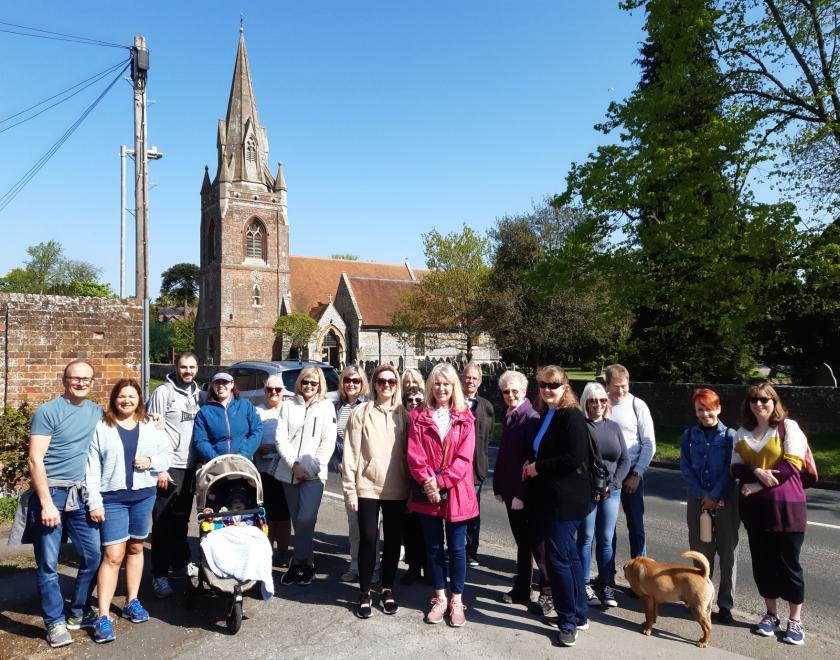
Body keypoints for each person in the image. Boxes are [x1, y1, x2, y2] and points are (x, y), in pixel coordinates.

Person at [25, 360, 103, 648]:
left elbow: (122, 426)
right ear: (64, 380)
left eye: (87, 378)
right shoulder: (48, 411)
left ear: (92, 382)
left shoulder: (96, 412)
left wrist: (152, 420)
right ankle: (55, 622)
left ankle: (79, 611)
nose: (81, 383)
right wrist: (46, 503)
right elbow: (35, 460)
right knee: (48, 563)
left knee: (93, 555)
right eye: (76, 378)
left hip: (82, 495)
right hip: (53, 494)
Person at [85, 379, 170, 643]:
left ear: (139, 400)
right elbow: (92, 467)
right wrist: (94, 501)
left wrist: (152, 462)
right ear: (114, 399)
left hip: (144, 496)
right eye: (122, 396)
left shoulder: (149, 425)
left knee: (135, 548)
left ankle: (133, 601)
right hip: (113, 498)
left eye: (132, 396)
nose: (127, 401)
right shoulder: (102, 427)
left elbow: (168, 454)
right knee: (112, 555)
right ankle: (103, 616)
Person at [732, 383, 808, 646]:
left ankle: (795, 620)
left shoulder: (789, 427)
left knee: (789, 566)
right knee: (763, 565)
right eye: (754, 399)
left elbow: (791, 467)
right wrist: (754, 473)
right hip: (755, 511)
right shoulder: (742, 433)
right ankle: (771, 614)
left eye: (765, 399)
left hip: (787, 508)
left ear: (774, 401)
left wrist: (757, 484)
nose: (759, 404)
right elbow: (735, 468)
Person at [523, 365, 591, 648]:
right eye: (542, 385)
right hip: (551, 498)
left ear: (565, 386)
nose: (547, 390)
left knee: (558, 560)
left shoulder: (571, 415)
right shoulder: (548, 414)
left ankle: (567, 623)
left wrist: (538, 467)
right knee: (570, 557)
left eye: (553, 385)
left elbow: (574, 457)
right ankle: (578, 613)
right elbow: (543, 449)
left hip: (566, 500)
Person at [407, 363, 478, 627]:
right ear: (430, 386)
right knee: (434, 547)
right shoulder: (418, 416)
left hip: (458, 493)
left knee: (458, 549)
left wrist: (440, 481)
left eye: (446, 383)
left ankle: (457, 599)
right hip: (429, 493)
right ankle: (440, 597)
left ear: (454, 386)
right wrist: (429, 482)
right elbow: (415, 455)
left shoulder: (465, 418)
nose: (441, 388)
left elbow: (464, 459)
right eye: (437, 383)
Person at [343, 364, 410, 618]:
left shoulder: (404, 414)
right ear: (374, 383)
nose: (386, 386)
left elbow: (410, 453)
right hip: (367, 487)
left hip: (397, 488)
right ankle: (363, 592)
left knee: (392, 542)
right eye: (381, 381)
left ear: (396, 385)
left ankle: (387, 589)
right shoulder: (361, 412)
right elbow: (351, 452)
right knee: (369, 540)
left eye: (392, 382)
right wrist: (350, 490)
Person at [680, 387, 739, 624]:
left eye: (709, 409)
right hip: (698, 500)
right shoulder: (689, 435)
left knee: (727, 552)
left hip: (726, 500)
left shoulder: (729, 436)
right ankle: (700, 598)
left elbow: (731, 468)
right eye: (700, 410)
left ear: (719, 408)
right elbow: (685, 466)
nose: (705, 414)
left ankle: (725, 604)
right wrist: (703, 494)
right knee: (701, 552)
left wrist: (714, 495)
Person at [274, 367, 337, 585]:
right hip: (289, 472)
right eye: (305, 382)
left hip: (314, 474)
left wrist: (311, 468)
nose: (309, 386)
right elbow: (280, 438)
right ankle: (306, 563)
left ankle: (298, 560)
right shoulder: (288, 404)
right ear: (299, 383)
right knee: (299, 522)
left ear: (320, 385)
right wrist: (294, 465)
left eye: (314, 383)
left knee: (306, 518)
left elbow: (328, 442)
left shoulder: (326, 406)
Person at [147, 351, 201, 599]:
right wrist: (160, 468)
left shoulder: (198, 394)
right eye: (183, 366)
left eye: (191, 367)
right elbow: (150, 431)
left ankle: (180, 563)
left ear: (197, 369)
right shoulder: (163, 393)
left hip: (190, 466)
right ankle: (159, 575)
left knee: (181, 519)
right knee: (162, 523)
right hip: (169, 467)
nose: (187, 371)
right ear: (175, 367)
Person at [492, 370, 543, 605]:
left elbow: (530, 459)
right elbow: (504, 457)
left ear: (524, 391)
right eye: (506, 391)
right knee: (523, 544)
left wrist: (521, 495)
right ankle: (523, 588)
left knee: (535, 545)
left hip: (524, 495)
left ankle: (549, 592)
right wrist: (499, 487)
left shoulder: (530, 417)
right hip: (510, 491)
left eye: (515, 391)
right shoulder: (510, 414)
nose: (510, 395)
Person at [577, 382, 629, 609]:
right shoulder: (581, 427)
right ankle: (584, 583)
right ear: (586, 403)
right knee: (586, 538)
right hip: (588, 491)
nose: (598, 404)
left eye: (601, 400)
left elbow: (624, 460)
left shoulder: (614, 427)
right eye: (592, 401)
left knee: (606, 539)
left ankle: (606, 583)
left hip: (612, 491)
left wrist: (615, 483)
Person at [604, 363, 655, 560]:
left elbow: (649, 443)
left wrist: (637, 474)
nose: (621, 390)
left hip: (632, 471)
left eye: (624, 385)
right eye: (616, 386)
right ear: (607, 385)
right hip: (608, 473)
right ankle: (607, 573)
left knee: (635, 524)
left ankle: (641, 575)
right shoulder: (601, 403)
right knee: (607, 527)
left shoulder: (637, 405)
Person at [333, 365, 370, 582]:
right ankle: (355, 565)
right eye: (347, 380)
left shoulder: (367, 407)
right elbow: (333, 439)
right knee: (353, 523)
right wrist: (339, 461)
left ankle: (373, 567)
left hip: (366, 474)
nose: (351, 384)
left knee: (369, 525)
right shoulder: (337, 406)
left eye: (356, 380)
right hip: (347, 474)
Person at [255, 375, 292, 566]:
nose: (274, 393)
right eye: (270, 389)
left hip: (284, 469)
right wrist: (257, 448)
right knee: (267, 514)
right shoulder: (256, 412)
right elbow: (251, 437)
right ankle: (267, 552)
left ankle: (283, 551)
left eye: (278, 389)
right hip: (263, 470)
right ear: (265, 391)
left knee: (284, 515)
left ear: (283, 391)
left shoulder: (288, 411)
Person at [461, 362, 494, 567]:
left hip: (476, 469)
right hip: (455, 469)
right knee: (455, 512)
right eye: (468, 377)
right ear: (462, 378)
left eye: (475, 378)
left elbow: (489, 436)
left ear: (480, 381)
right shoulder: (453, 403)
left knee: (473, 512)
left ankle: (471, 551)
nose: (471, 381)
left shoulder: (487, 407)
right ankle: (456, 548)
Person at [193, 372, 262, 462]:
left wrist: (243, 455)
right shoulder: (204, 412)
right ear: (212, 386)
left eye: (225, 382)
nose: (221, 385)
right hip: (216, 464)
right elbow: (200, 440)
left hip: (243, 462)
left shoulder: (246, 405)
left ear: (232, 384)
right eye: (217, 382)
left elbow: (257, 430)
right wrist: (216, 459)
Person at [400, 385, 428, 585]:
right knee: (409, 529)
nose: (414, 404)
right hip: (404, 481)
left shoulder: (427, 420)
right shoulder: (402, 422)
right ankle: (413, 568)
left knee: (428, 528)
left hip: (424, 479)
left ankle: (430, 569)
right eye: (410, 400)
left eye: (419, 400)